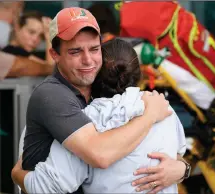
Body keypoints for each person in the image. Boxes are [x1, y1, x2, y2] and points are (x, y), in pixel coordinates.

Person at [12, 7, 187, 194]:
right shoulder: (53, 95)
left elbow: (173, 154)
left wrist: (181, 170)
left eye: (95, 49)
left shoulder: (106, 102)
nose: (88, 60)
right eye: (75, 51)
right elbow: (100, 154)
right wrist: (150, 115)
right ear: (55, 55)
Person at [0, 37, 54, 176]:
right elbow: (20, 66)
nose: (35, 39)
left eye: (39, 35)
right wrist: (53, 67)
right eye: (31, 32)